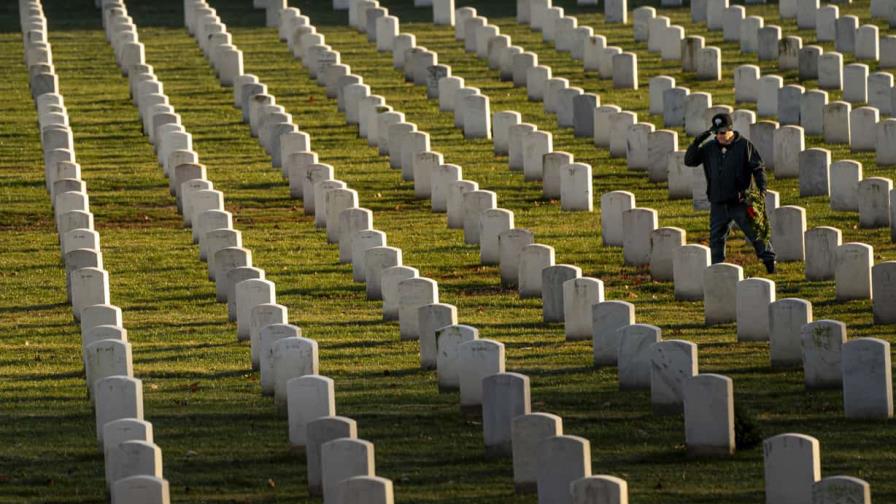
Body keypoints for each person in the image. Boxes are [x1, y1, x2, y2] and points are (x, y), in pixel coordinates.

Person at [684, 112, 776, 273]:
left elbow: (758, 168)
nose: (719, 136)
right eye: (716, 132)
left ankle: (770, 265)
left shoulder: (744, 146)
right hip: (718, 202)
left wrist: (761, 191)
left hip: (741, 202)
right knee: (716, 240)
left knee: (756, 234)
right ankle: (718, 271)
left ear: (730, 130)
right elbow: (689, 161)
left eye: (722, 132)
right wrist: (698, 141)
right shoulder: (709, 148)